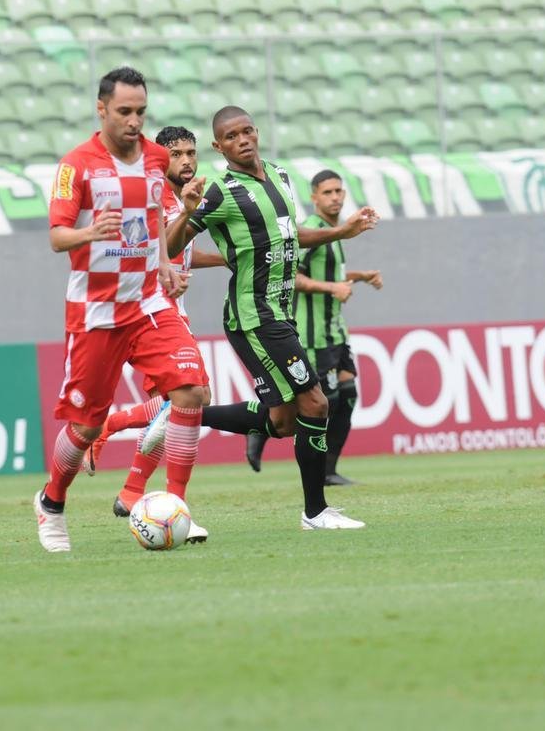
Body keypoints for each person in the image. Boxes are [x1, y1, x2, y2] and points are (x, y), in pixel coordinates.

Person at [163, 106, 378, 530]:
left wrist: (341, 231)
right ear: (218, 146)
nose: (242, 140)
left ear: (256, 133)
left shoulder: (279, 176)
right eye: (231, 136)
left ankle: (179, 416)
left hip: (280, 313)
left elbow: (292, 236)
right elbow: (171, 248)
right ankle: (316, 512)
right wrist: (187, 212)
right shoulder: (219, 192)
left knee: (281, 422)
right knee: (315, 403)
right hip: (255, 317)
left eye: (247, 131)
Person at [33, 67, 210, 552]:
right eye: (125, 112)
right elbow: (56, 237)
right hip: (97, 311)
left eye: (141, 112)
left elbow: (153, 218)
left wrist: (164, 265)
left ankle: (177, 507)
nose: (134, 122)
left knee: (192, 390)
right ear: (102, 110)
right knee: (86, 424)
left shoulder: (155, 158)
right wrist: (90, 233)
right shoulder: (78, 166)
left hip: (149, 300)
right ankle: (51, 502)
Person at [78, 125, 225, 518]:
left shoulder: (182, 200)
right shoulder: (155, 198)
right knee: (191, 399)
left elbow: (183, 252)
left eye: (191, 153)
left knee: (182, 403)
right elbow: (160, 248)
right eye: (176, 154)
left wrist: (227, 258)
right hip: (155, 310)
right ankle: (128, 457)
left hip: (174, 306)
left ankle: (132, 489)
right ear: (161, 159)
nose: (187, 161)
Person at [243, 169, 383, 484]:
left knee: (346, 398)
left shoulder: (337, 230)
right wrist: (332, 289)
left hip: (336, 333)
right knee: (319, 403)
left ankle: (328, 472)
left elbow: (330, 273)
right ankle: (260, 427)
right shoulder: (313, 232)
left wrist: (360, 276)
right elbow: (292, 276)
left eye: (339, 191)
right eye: (328, 192)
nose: (335, 197)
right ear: (314, 197)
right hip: (314, 336)